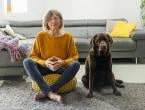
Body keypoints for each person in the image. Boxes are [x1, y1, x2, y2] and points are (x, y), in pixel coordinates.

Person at [23, 9, 80, 104]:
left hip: (61, 69)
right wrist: (44, 63)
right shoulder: (40, 36)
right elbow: (33, 56)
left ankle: (46, 91)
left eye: (55, 18)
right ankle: (51, 94)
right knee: (27, 61)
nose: (53, 21)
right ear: (46, 22)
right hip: (43, 68)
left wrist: (63, 62)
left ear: (60, 20)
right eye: (50, 19)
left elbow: (75, 56)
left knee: (76, 64)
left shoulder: (68, 36)